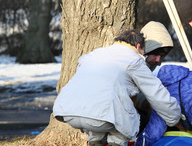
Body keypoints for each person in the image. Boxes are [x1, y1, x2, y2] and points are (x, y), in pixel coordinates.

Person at [53, 29, 181, 146]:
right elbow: (156, 93)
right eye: (144, 52)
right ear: (138, 47)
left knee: (103, 106)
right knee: (127, 116)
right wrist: (174, 118)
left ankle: (94, 141)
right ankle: (116, 143)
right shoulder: (134, 59)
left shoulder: (93, 55)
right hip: (100, 118)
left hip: (68, 112)